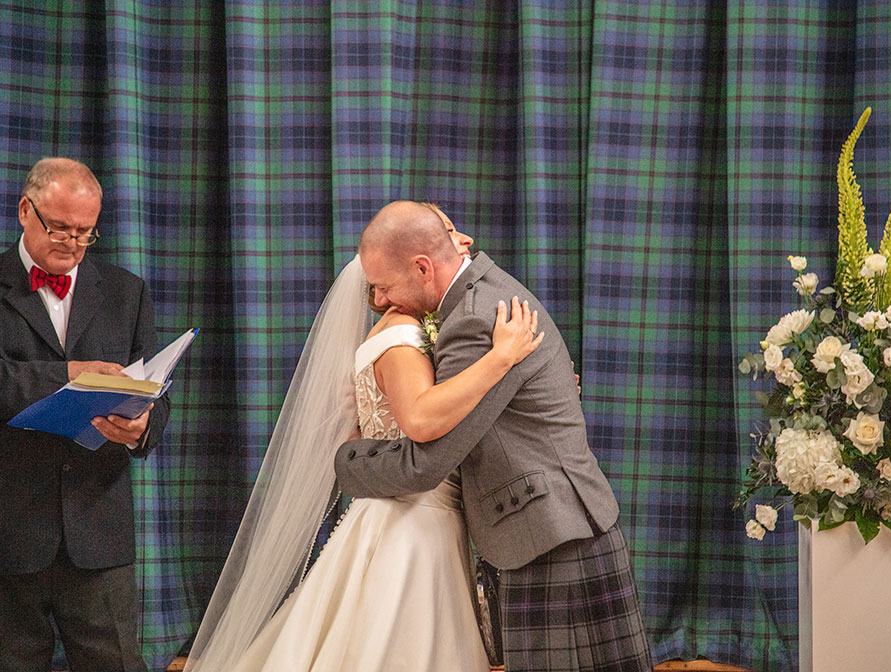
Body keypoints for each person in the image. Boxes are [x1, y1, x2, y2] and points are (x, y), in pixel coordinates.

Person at [187, 208, 542, 671]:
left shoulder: (421, 326)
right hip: (412, 523)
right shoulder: (402, 332)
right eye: (451, 235)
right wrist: (502, 360)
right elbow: (418, 417)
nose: (463, 243)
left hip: (419, 512)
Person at [336, 200, 653, 671]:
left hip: (546, 537)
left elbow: (427, 461)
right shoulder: (486, 294)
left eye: (384, 287)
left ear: (423, 267)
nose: (379, 301)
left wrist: (345, 462)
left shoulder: (473, 320)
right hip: (567, 523)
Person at [0, 158, 171, 672]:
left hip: (98, 529)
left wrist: (143, 427)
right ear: (26, 211)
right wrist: (67, 373)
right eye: (60, 228)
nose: (72, 243)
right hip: (10, 529)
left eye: (85, 233)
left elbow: (155, 391)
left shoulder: (126, 291)